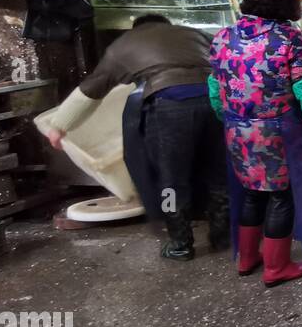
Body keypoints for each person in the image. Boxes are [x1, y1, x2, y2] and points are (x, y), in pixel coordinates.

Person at [45, 13, 228, 261]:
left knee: (170, 182)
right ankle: (222, 236)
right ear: (167, 26)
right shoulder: (192, 34)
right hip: (215, 100)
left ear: (135, 29)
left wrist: (58, 126)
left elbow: (90, 90)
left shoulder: (124, 44)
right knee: (218, 175)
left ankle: (180, 243)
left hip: (169, 105)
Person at [208, 0, 302, 288]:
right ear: (287, 4)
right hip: (276, 133)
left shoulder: (223, 38)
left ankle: (247, 258)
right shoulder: (289, 38)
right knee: (281, 196)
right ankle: (276, 266)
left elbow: (215, 89)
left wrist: (231, 121)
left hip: (236, 129)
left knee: (251, 192)